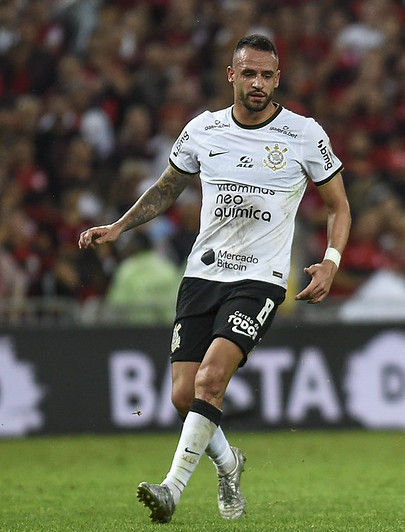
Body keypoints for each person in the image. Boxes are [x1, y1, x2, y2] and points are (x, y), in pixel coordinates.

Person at [78, 34, 351, 523]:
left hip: (261, 279)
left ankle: (171, 489)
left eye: (267, 75)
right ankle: (229, 463)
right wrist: (119, 226)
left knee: (210, 378)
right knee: (184, 394)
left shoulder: (304, 134)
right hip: (202, 274)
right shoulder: (203, 129)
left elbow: (339, 206)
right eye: (248, 73)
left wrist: (330, 259)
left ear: (278, 78)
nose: (258, 83)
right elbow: (166, 189)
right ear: (231, 75)